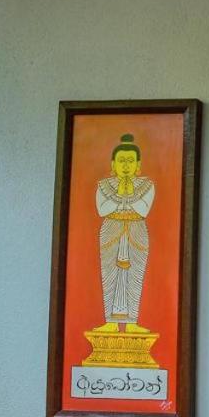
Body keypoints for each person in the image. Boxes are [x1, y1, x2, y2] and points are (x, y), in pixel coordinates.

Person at [94, 133, 156, 334]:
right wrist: (120, 193)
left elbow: (143, 210)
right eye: (122, 161)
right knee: (110, 274)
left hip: (137, 230)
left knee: (134, 274)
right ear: (113, 164)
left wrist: (125, 196)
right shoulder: (104, 186)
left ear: (138, 164)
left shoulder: (147, 185)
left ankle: (132, 323)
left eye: (130, 160)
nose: (126, 165)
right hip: (111, 229)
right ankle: (110, 322)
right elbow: (102, 210)